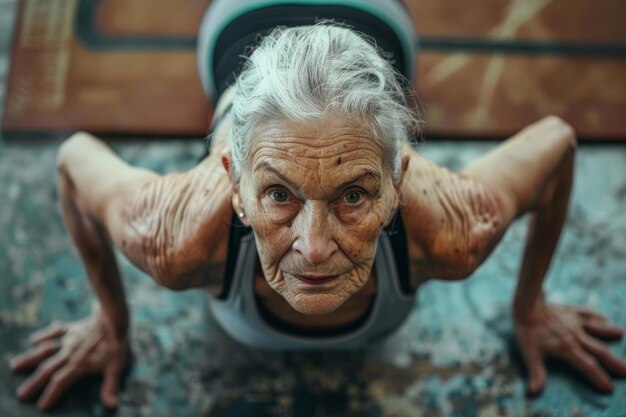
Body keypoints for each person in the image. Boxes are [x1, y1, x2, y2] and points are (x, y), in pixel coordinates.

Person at [9, 0, 626, 411]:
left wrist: (530, 306)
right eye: (279, 194)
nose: (313, 247)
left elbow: (557, 143)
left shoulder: (453, 230)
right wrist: (109, 322)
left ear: (396, 179)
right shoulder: (171, 238)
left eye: (354, 195)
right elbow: (74, 161)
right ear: (233, 184)